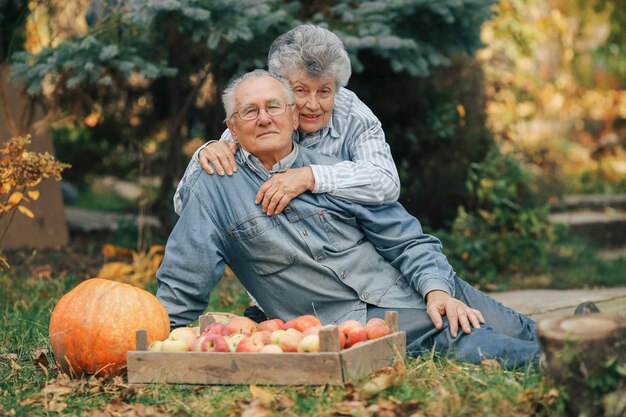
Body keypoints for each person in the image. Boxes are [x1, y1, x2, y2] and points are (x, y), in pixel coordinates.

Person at [157, 70, 541, 368]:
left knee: (516, 326)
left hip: (409, 284)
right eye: (249, 111)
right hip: (344, 321)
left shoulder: (333, 171)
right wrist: (163, 341)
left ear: (293, 116)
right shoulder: (215, 189)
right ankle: (556, 361)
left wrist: (437, 289)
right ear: (232, 129)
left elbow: (405, 239)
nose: (264, 119)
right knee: (456, 333)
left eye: (274, 107)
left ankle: (580, 338)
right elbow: (185, 273)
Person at [174, 24, 400, 218]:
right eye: (301, 90)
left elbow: (387, 183)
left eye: (324, 91)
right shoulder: (261, 118)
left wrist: (309, 176)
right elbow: (183, 205)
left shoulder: (355, 117)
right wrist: (206, 153)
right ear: (280, 87)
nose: (313, 105)